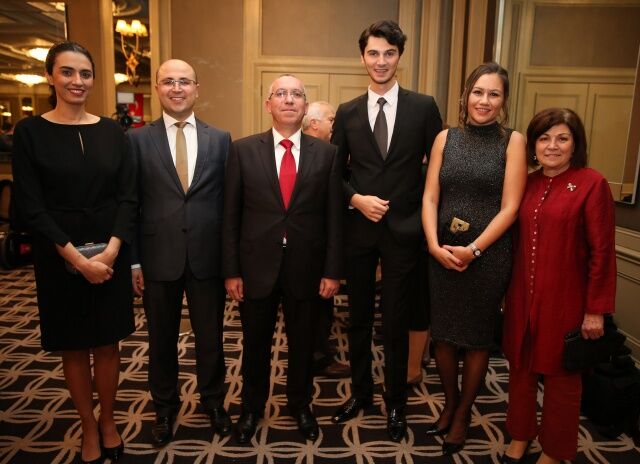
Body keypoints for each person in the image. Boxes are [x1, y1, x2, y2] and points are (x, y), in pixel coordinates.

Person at [11, 41, 136, 464]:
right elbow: (31, 206)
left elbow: (128, 197)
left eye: (84, 73)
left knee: (108, 344)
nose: (76, 81)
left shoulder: (113, 132)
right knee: (74, 347)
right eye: (67, 72)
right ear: (50, 76)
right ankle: (87, 425)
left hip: (110, 253)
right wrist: (78, 260)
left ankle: (109, 422)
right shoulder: (30, 132)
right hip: (58, 255)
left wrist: (111, 252)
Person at [330, 20, 442, 442]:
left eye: (389, 53)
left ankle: (396, 403)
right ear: (363, 58)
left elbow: (438, 169)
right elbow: (333, 174)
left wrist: (420, 210)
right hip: (358, 230)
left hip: (404, 232)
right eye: (373, 53)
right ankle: (361, 393)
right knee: (358, 319)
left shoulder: (423, 107)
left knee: (395, 322)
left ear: (399, 57)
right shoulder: (347, 112)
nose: (381, 61)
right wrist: (356, 199)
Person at [222, 74, 343, 443]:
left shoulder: (328, 154)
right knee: (255, 344)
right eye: (281, 94)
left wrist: (332, 270)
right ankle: (251, 408)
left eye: (296, 94)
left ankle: (300, 405)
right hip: (255, 266)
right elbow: (230, 216)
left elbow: (334, 217)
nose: (289, 99)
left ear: (305, 107)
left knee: (303, 344)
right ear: (268, 104)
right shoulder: (242, 150)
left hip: (307, 266)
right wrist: (231, 271)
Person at [421, 62, 527, 455]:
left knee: (478, 338)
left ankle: (464, 414)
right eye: (478, 92)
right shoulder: (445, 138)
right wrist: (434, 245)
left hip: (487, 257)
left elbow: (510, 208)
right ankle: (450, 404)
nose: (484, 101)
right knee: (444, 335)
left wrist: (475, 249)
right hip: (442, 252)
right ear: (466, 95)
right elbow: (430, 197)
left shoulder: (512, 142)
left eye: (494, 94)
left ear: (504, 101)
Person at [501, 108, 616, 464]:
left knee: (562, 379)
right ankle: (520, 434)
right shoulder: (528, 182)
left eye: (562, 138)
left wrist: (596, 310)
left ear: (575, 144)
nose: (552, 146)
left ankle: (554, 449)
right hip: (522, 296)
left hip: (566, 300)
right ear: (534, 145)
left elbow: (602, 252)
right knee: (520, 370)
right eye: (544, 138)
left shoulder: (592, 184)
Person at [128, 59, 231, 446]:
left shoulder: (220, 139)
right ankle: (164, 408)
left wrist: (231, 261)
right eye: (168, 81)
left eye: (184, 81)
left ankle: (214, 402)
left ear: (197, 89)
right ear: (157, 88)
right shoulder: (137, 140)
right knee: (161, 340)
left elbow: (228, 204)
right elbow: (130, 204)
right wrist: (134, 260)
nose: (176, 88)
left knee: (211, 338)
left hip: (208, 257)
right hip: (158, 256)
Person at [302, 100, 350, 379]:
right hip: (310, 244)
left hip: (321, 244)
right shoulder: (310, 154)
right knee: (314, 308)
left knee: (321, 305)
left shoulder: (330, 153)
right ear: (314, 123)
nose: (336, 125)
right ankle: (317, 358)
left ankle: (318, 354)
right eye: (331, 119)